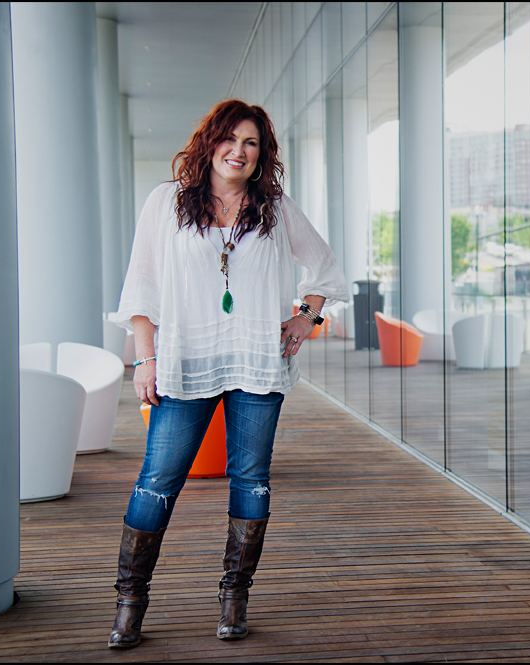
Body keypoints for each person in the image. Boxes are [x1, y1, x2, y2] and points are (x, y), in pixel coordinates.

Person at [106, 99, 348, 648]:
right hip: (184, 361)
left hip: (258, 365)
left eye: (252, 143)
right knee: (158, 478)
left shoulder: (274, 208)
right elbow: (141, 288)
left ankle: (234, 597)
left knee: (252, 479)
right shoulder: (166, 203)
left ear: (262, 156)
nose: (239, 151)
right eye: (230, 139)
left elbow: (327, 270)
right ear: (209, 141)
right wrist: (145, 358)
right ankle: (130, 602)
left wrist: (304, 319)